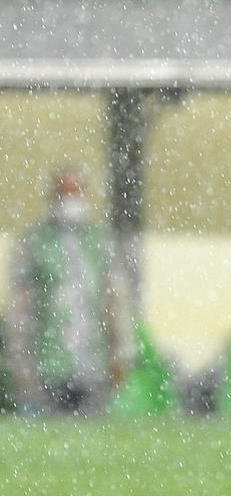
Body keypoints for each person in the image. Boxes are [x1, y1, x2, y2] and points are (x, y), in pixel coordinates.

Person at [8, 170, 131, 415]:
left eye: (76, 192)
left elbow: (114, 302)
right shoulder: (36, 243)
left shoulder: (98, 242)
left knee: (91, 438)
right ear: (54, 197)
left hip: (94, 365)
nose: (71, 200)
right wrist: (21, 362)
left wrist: (121, 353)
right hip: (49, 365)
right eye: (65, 193)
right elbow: (21, 309)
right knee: (53, 437)